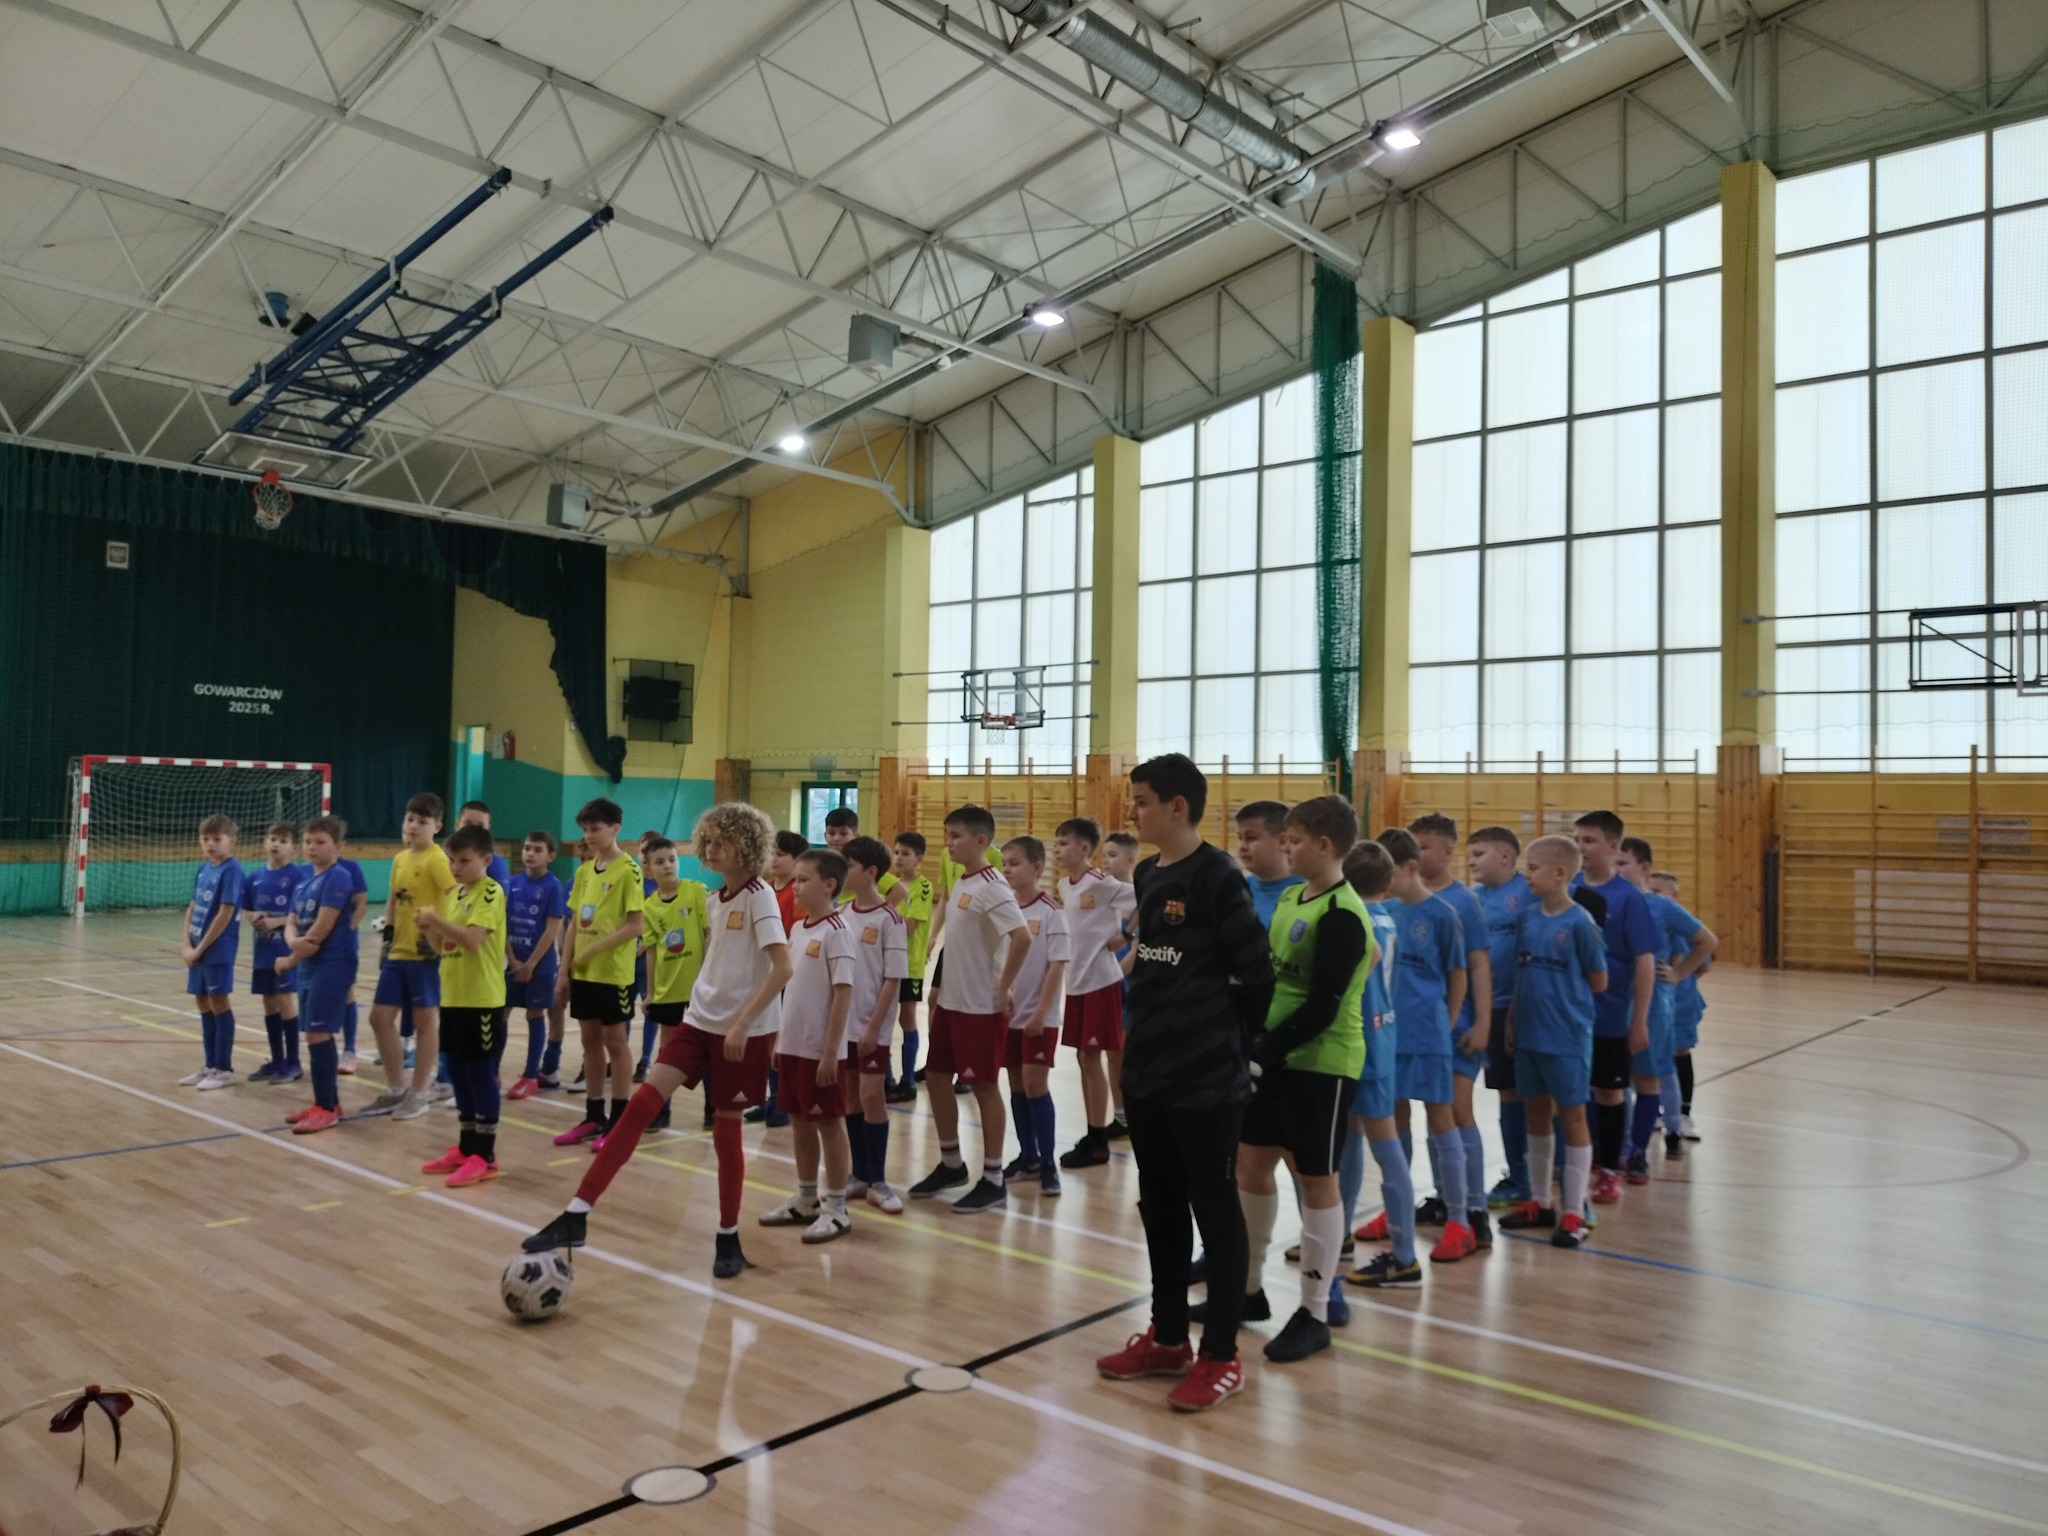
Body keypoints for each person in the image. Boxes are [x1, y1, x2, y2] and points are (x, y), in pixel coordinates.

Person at [523, 803, 791, 1280]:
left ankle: (728, 1234)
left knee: (726, 1133)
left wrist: (743, 1024)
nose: (712, 848)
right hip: (699, 1021)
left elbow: (783, 967)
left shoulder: (760, 896)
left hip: (741, 1033)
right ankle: (577, 1213)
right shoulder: (715, 898)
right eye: (708, 840)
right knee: (641, 1104)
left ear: (747, 845)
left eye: (722, 841)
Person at [1093, 755, 1273, 1414]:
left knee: (1215, 1210)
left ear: (1176, 807)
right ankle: (1168, 1337)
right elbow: (1153, 963)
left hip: (1206, 1079)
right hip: (1148, 1071)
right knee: (1160, 1205)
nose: (1131, 811)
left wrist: (1237, 1050)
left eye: (1141, 801)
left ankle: (1221, 1356)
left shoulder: (1219, 875)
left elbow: (1257, 974)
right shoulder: (1147, 873)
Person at [1228, 795, 1372, 1364]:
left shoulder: (1343, 913)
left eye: (1293, 840)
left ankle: (1314, 1312)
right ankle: (1245, 1291)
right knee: (1251, 1163)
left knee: (1316, 1178)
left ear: (1325, 845)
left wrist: (1264, 1050)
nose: (1285, 848)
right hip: (1275, 1057)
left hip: (1321, 1063)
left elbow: (1324, 1004)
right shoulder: (1292, 897)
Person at [908, 804, 1029, 1213]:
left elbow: (1023, 937)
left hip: (981, 1007)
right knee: (936, 1078)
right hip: (952, 1003)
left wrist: (1003, 986)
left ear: (980, 841)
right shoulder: (962, 881)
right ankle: (951, 1164)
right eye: (947, 835)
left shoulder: (993, 887)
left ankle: (993, 1179)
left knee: (984, 1087)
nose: (949, 843)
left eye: (956, 836)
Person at [1498, 836, 1609, 1249]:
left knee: (1573, 1117)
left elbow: (1599, 981)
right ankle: (1540, 1201)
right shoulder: (1528, 918)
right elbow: (1522, 972)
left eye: (1534, 868)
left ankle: (1574, 1210)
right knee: (1536, 1113)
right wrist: (1513, 1019)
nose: (1527, 875)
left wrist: (1562, 1000)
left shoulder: (1580, 923)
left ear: (1561, 873)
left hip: (1565, 1035)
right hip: (1529, 1033)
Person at [1378, 827, 1473, 1262]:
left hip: (1429, 1033)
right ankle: (1395, 1211)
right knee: (1393, 1119)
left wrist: (1446, 1024)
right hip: (1390, 1032)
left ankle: (1459, 1220)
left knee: (1440, 1118)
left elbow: (1458, 974)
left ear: (1410, 868)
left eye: (1388, 873)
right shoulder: (1384, 911)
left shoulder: (1441, 914)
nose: (1383, 883)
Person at [757, 848, 860, 1243]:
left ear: (829, 885)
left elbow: (842, 994)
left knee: (829, 1125)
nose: (795, 886)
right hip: (793, 1047)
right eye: (795, 879)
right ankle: (805, 1199)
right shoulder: (799, 929)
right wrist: (781, 1040)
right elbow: (793, 992)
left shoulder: (838, 931)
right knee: (799, 1122)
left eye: (803, 880)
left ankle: (837, 1207)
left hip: (821, 1051)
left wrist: (831, 1052)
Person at [1408, 814, 1493, 1248]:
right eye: (1413, 845)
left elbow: (1478, 964)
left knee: (1458, 1110)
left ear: (1447, 852)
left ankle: (1475, 1209)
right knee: (1432, 1111)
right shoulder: (1404, 898)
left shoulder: (1463, 901)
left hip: (1457, 1027)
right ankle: (1445, 1197)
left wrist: (1482, 1023)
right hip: (1421, 1027)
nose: (1417, 853)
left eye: (1424, 846)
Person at [1342, 841, 1421, 1290]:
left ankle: (1405, 1257)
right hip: (1380, 1033)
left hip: (1366, 1039)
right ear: (1388, 883)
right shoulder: (1388, 915)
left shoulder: (1358, 919)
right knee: (1351, 1138)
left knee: (1383, 1144)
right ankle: (1340, 1234)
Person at [1571, 811, 1660, 1204]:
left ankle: (1611, 1169)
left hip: (1608, 1015)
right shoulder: (1567, 887)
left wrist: (1638, 1021)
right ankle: (1579, 1161)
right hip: (1567, 1013)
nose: (1581, 847)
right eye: (1577, 839)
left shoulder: (1629, 898)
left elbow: (1644, 961)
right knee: (1570, 1091)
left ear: (1612, 846)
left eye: (1589, 840)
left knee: (1608, 1092)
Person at [414, 823, 509, 1188]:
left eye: (464, 861)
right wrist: (429, 931)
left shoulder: (491, 893)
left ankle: (486, 1155)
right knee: (458, 1073)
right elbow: (447, 948)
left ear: (486, 859)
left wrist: (436, 919)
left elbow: (471, 939)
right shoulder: (455, 895)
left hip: (481, 999)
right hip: (453, 997)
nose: (455, 867)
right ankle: (466, 1147)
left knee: (481, 1074)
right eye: (452, 860)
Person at [551, 799, 646, 1146]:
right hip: (583, 975)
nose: (589, 836)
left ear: (615, 829)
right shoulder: (584, 872)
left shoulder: (629, 870)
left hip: (612, 974)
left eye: (595, 829)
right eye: (585, 830)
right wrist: (564, 971)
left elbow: (636, 925)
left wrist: (595, 948)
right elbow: (574, 922)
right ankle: (593, 1116)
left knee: (615, 1043)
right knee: (589, 1042)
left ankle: (619, 1120)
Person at [1618, 838, 1716, 1169]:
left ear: (1644, 868)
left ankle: (1672, 1128)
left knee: (1658, 1069)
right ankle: (1623, 1142)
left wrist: (1678, 974)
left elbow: (1706, 941)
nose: (1616, 870)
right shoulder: (1607, 901)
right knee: (1618, 1077)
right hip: (1615, 1001)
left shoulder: (1661, 907)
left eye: (1623, 863)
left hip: (1653, 1004)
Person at [364, 793, 454, 1120]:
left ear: (437, 826)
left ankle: (420, 1093)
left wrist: (440, 936)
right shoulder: (401, 858)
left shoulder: (437, 859)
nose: (414, 826)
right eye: (410, 819)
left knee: (425, 1022)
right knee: (379, 1018)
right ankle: (396, 1089)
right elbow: (392, 899)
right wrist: (388, 937)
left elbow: (455, 895)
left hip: (424, 955)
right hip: (399, 952)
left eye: (422, 821)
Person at [1053, 816, 1135, 1169]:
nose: (1057, 849)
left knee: (1092, 1058)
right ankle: (1094, 1132)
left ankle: (1099, 1140)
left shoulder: (1101, 883)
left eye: (1063, 843)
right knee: (1083, 1060)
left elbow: (1147, 898)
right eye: (1056, 843)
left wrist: (1127, 934)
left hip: (1101, 982)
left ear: (1084, 848)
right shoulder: (1064, 885)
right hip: (1076, 983)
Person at [997, 835, 1071, 1196]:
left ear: (1037, 867)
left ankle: (1047, 1162)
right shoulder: (1007, 910)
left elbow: (1057, 965)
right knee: (1015, 1082)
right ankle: (1027, 1156)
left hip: (1039, 1017)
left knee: (1034, 1083)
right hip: (1009, 1015)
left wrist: (1041, 1012)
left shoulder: (1051, 912)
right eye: (1005, 864)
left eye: (1014, 863)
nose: (1007, 870)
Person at [839, 836, 908, 1212]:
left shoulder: (889, 919)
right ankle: (860, 1173)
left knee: (871, 1096)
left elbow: (892, 980)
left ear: (870, 872)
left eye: (848, 865)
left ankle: (879, 1180)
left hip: (872, 1027)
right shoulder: (842, 915)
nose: (842, 871)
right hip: (843, 1026)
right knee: (851, 1096)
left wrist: (873, 1028)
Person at [277, 816, 358, 1134]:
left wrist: (291, 957)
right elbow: (291, 921)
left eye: (320, 842)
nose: (312, 847)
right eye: (308, 842)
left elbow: (321, 930)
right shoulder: (303, 882)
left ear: (339, 846)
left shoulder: (338, 878)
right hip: (309, 965)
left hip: (333, 964)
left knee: (319, 1032)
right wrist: (293, 943)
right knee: (312, 1032)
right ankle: (326, 1101)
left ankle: (326, 1109)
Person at [1469, 826, 1534, 1208]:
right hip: (1486, 1009)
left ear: (1507, 856)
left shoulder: (1529, 893)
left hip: (1525, 1006)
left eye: (1479, 854)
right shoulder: (1472, 899)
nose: (1471, 862)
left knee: (1537, 1094)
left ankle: (1544, 1172)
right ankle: (1518, 1174)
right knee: (1506, 1091)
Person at [634, 836, 709, 1135]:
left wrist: (708, 976)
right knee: (668, 1051)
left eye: (672, 859)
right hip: (668, 990)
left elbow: (709, 934)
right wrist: (652, 992)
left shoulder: (696, 891)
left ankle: (713, 1111)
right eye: (659, 862)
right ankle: (661, 1111)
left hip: (699, 989)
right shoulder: (649, 906)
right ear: (648, 869)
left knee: (709, 1049)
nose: (667, 866)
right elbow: (652, 950)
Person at [179, 813, 244, 1089]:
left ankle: (224, 1068)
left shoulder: (232, 871)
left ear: (232, 841)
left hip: (218, 950)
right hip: (197, 950)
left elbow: (225, 913)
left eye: (217, 839)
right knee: (203, 1002)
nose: (210, 844)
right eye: (205, 839)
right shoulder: (203, 869)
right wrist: (186, 945)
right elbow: (193, 907)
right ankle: (209, 1065)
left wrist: (202, 947)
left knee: (218, 1002)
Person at [504, 830, 567, 1101]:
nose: (530, 853)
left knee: (534, 1014)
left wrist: (530, 964)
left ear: (551, 856)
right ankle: (492, 1070)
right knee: (501, 1012)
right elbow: (503, 924)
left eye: (538, 849)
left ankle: (531, 1075)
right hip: (513, 962)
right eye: (527, 848)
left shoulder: (553, 887)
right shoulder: (513, 882)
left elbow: (551, 930)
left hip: (540, 966)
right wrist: (512, 960)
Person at [241, 821, 305, 1085]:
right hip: (263, 950)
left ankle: (294, 1062)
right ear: (265, 842)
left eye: (283, 840)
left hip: (285, 950)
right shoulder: (254, 877)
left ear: (293, 848)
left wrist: (276, 922)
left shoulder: (298, 877)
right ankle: (277, 1059)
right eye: (272, 839)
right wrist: (254, 917)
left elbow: (303, 914)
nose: (276, 844)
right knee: (269, 1002)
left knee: (285, 1000)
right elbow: (245, 909)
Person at [1651, 870, 1708, 1141]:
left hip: (1683, 1002)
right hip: (1656, 1001)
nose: (1654, 896)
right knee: (1652, 1057)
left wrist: (1679, 976)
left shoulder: (1685, 923)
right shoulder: (1651, 920)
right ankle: (1653, 1110)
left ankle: (1684, 1114)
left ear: (1675, 894)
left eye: (1659, 891)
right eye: (1651, 890)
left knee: (1680, 1053)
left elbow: (1704, 963)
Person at [1098, 829, 1142, 1139]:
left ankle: (1136, 1113)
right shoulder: (1102, 895)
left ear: (1130, 860)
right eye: (1103, 856)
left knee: (1128, 1052)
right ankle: (1121, 1114)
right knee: (1113, 1051)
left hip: (1129, 985)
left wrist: (1115, 975)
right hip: (1108, 981)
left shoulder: (1140, 897)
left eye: (1112, 855)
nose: (1105, 861)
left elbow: (1139, 948)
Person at [886, 830, 934, 1104]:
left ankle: (908, 1080)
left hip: (909, 965)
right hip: (887, 963)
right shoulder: (890, 884)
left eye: (905, 853)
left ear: (919, 858)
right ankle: (886, 1078)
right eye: (896, 852)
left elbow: (910, 926)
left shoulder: (922, 887)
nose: (899, 858)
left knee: (907, 1018)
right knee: (883, 1019)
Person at [331, 829, 370, 1074]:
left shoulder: (350, 868)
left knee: (346, 991)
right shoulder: (307, 871)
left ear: (339, 845)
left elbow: (361, 903)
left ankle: (349, 1050)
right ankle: (324, 1048)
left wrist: (350, 928)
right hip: (316, 945)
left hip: (343, 944)